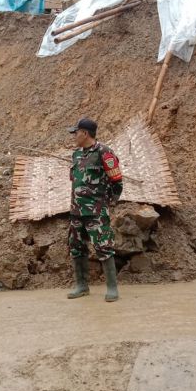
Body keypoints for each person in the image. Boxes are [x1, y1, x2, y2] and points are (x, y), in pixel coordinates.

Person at [67, 118, 124, 302]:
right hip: (76, 211)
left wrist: (107, 203)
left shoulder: (104, 153)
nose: (74, 136)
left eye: (76, 133)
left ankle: (112, 289)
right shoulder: (76, 155)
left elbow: (117, 181)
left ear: (85, 133)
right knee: (77, 248)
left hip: (96, 212)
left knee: (104, 247)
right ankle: (82, 286)